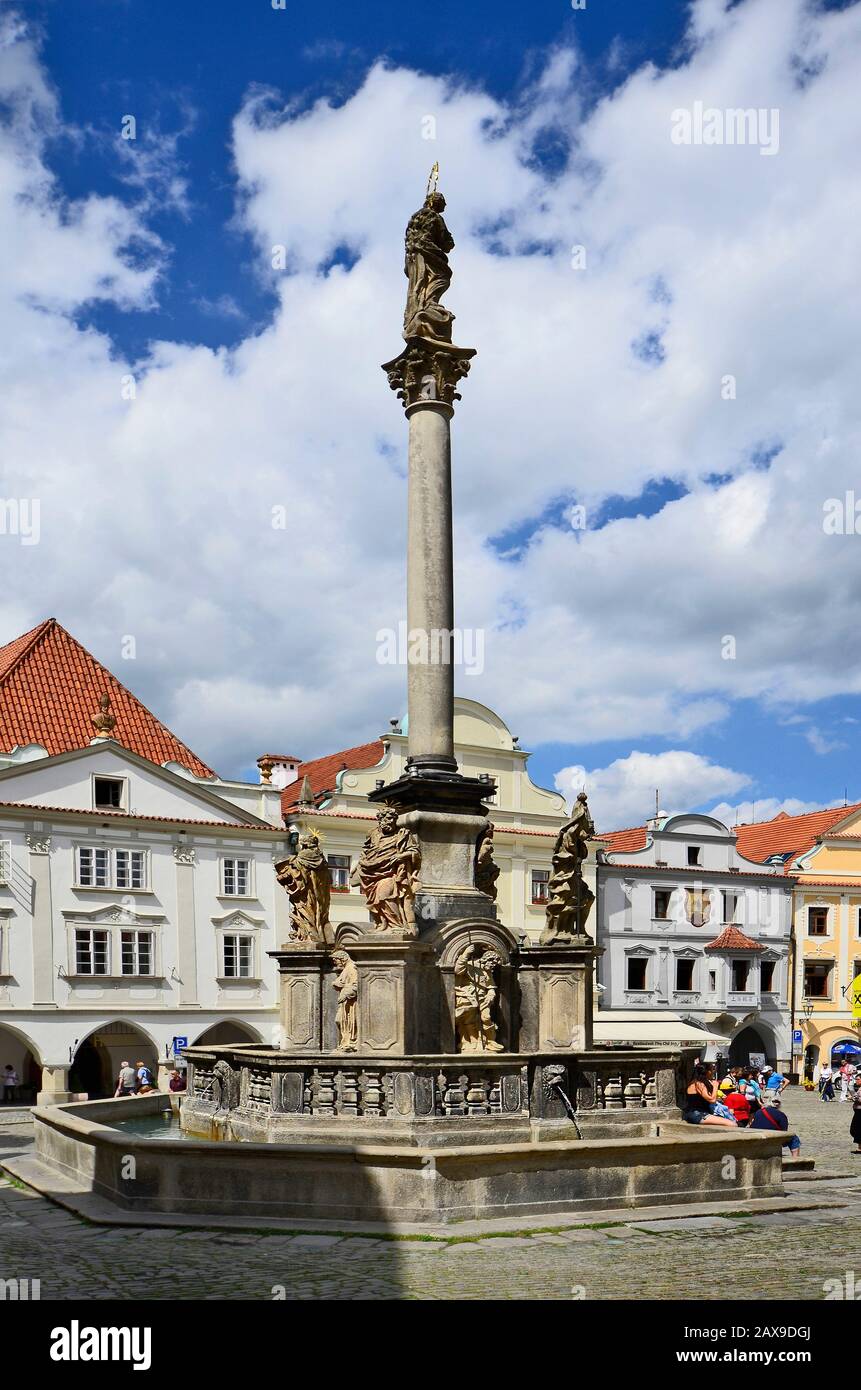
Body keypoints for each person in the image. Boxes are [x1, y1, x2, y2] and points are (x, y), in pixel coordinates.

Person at [682, 1063, 738, 1128]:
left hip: (701, 1113)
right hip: (697, 1114)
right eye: (712, 1069)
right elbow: (712, 1100)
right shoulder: (698, 1084)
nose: (713, 1072)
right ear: (708, 1072)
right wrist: (715, 1086)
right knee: (732, 1124)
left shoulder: (699, 1083)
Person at [750, 1094, 801, 1159]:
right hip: (770, 1137)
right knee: (794, 1138)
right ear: (779, 1104)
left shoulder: (759, 1111)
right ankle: (795, 1159)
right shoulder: (781, 1115)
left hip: (755, 1135)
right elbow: (784, 1131)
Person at [851, 1084, 861, 1155]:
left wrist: (854, 1098)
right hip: (857, 1110)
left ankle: (860, 1148)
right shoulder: (859, 1088)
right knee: (855, 1129)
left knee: (856, 1129)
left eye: (858, 1079)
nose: (856, 1080)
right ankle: (860, 1147)